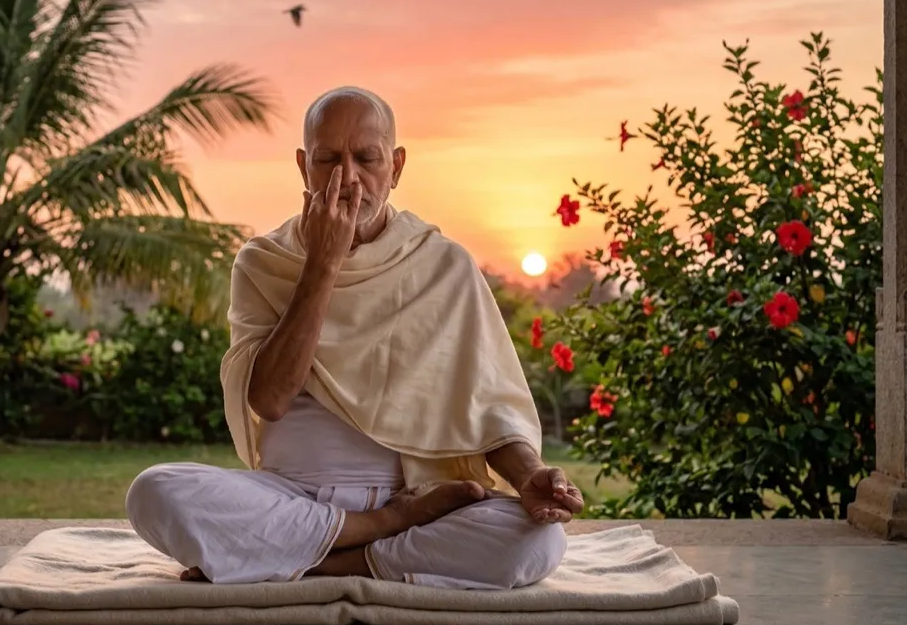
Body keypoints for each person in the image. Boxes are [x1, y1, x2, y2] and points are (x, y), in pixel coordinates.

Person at [126, 86, 584, 589]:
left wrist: (530, 477)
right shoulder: (263, 263)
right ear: (304, 166)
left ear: (397, 166)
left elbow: (489, 411)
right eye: (328, 159)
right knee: (155, 492)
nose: (348, 178)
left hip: (416, 492)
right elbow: (269, 399)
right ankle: (377, 536)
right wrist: (323, 262)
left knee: (538, 541)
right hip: (293, 496)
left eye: (367, 157)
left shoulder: (443, 266)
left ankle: (307, 562)